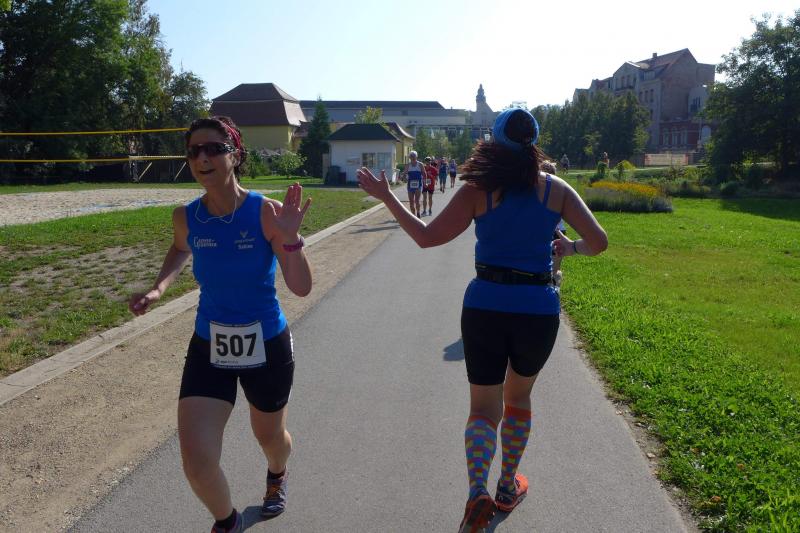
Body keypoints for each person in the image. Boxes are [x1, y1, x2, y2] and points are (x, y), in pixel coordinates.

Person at [357, 108, 607, 533]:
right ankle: (507, 485)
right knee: (518, 399)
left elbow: (426, 237)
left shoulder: (479, 190)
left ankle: (477, 491)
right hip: (537, 309)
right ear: (533, 143)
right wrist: (569, 248)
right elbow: (598, 241)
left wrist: (387, 197)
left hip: (485, 306)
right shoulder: (556, 189)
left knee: (483, 408)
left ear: (493, 142)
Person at [129, 116, 312, 533]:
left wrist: (291, 240)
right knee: (196, 460)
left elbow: (301, 288)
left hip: (265, 342)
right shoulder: (186, 216)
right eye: (194, 151)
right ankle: (227, 522)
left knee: (270, 438)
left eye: (214, 148)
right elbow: (180, 248)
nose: (202, 158)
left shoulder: (266, 212)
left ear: (235, 154)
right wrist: (158, 288)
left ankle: (277, 473)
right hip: (210, 344)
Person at [401, 150, 424, 218]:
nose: (412, 158)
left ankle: (418, 212)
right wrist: (404, 178)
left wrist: (425, 182)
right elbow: (404, 174)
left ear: (416, 157)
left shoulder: (420, 164)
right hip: (410, 186)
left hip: (418, 185)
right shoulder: (408, 165)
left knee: (417, 201)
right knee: (411, 202)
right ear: (410, 157)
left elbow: (424, 173)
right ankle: (413, 216)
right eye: (411, 156)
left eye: (414, 156)